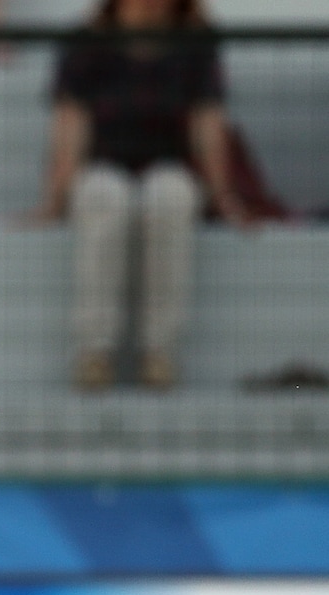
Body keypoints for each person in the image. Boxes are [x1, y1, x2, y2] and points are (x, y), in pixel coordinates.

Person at [22, 0, 253, 391]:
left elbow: (207, 121)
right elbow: (70, 124)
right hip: (104, 165)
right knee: (102, 198)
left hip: (171, 166)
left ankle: (159, 352)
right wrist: (55, 199)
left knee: (171, 199)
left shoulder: (196, 42)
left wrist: (222, 194)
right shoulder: (87, 42)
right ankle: (94, 351)